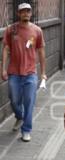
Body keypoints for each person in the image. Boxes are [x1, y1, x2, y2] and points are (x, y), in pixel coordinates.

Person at [0, 3, 47, 142]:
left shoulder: (37, 31)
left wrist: (43, 72)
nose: (26, 13)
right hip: (14, 72)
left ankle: (26, 129)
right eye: (23, 11)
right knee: (14, 100)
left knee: (29, 102)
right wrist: (3, 68)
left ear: (31, 13)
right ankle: (19, 117)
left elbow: (41, 51)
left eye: (28, 11)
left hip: (30, 73)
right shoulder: (11, 29)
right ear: (18, 13)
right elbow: (6, 49)